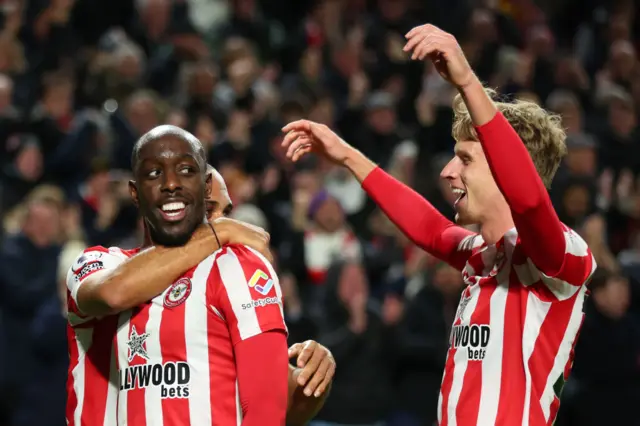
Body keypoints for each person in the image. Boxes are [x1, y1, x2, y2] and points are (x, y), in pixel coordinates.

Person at [281, 24, 596, 426]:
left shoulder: (562, 257)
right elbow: (428, 229)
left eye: (464, 159)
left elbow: (531, 201)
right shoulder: (482, 255)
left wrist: (466, 79)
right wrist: (346, 156)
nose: (447, 172)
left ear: (505, 168)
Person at [65, 126, 329, 426]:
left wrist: (313, 381)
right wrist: (223, 231)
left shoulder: (234, 269)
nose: (216, 223)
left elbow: (271, 408)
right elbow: (114, 293)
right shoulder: (98, 262)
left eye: (223, 213)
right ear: (135, 194)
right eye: (212, 212)